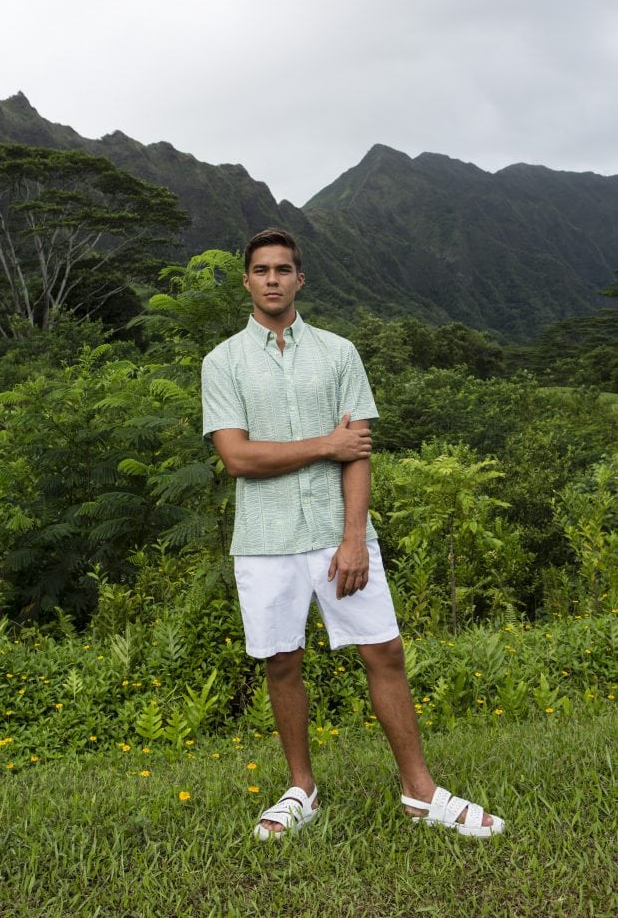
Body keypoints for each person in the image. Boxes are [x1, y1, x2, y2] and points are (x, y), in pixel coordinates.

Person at [201, 228, 504, 840]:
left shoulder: (339, 353)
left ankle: (421, 793)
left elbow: (358, 453)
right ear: (246, 280)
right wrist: (326, 444)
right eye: (261, 270)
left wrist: (353, 538)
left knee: (383, 650)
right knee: (281, 663)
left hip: (337, 534)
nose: (272, 280)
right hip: (263, 540)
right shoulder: (222, 362)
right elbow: (237, 458)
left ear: (300, 279)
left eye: (283, 270)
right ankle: (301, 790)